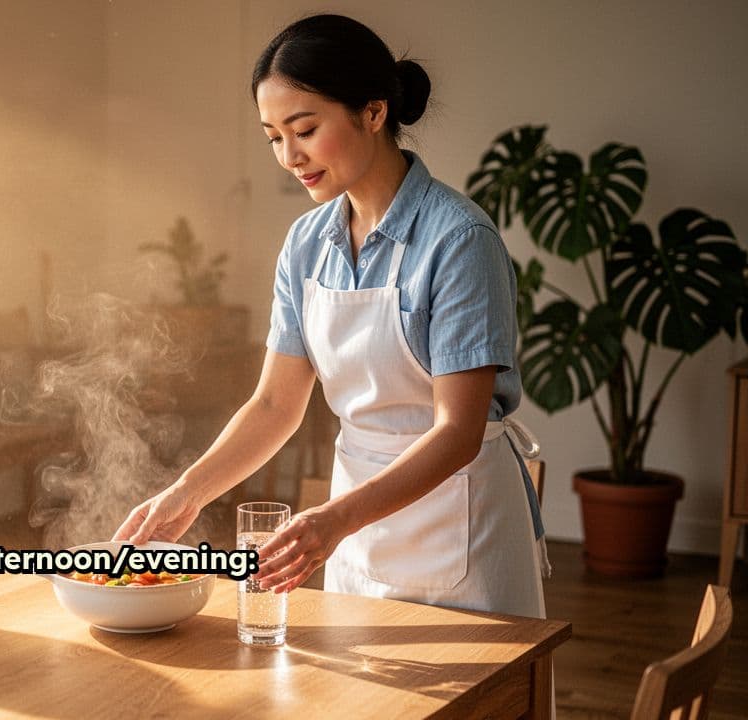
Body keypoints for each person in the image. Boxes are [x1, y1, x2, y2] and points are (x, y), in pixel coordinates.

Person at [114, 13, 548, 619]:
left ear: (372, 113)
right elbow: (274, 405)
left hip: (460, 520)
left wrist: (333, 521)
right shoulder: (307, 243)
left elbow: (457, 433)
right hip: (354, 530)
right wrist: (186, 493)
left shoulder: (459, 240)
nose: (289, 156)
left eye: (305, 129)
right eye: (272, 137)